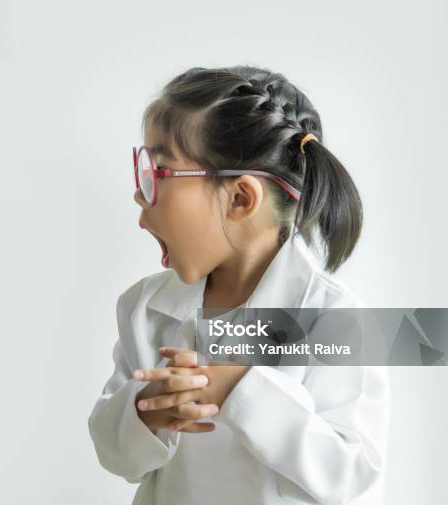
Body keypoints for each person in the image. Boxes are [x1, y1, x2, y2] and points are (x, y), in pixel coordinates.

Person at [88, 65, 391, 505]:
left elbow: (352, 474)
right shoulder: (144, 308)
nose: (140, 193)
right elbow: (115, 455)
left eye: (159, 171)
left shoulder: (337, 320)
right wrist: (144, 410)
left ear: (241, 198)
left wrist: (240, 388)